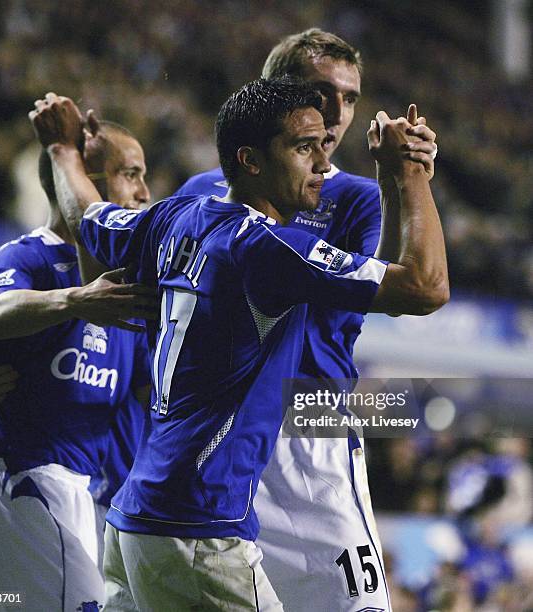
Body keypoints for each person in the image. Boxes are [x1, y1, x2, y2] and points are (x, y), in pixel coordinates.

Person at [30, 77, 447, 610]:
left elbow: (89, 216)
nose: (322, 162)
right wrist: (409, 169)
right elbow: (426, 286)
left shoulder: (171, 217)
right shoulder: (266, 249)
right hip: (199, 528)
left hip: (136, 518)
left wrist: (62, 151)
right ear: (250, 160)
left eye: (323, 144)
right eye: (303, 147)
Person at [174, 28, 438, 611]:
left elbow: (399, 282)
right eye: (323, 92)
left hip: (308, 425)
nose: (339, 112)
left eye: (350, 97)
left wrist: (404, 180)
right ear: (275, 94)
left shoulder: (356, 198)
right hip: (217, 438)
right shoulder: (198, 195)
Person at [0, 122, 155, 611]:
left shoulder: (136, 283)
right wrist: (74, 301)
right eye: (130, 174)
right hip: (31, 487)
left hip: (100, 503)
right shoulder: (29, 257)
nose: (144, 192)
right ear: (82, 181)